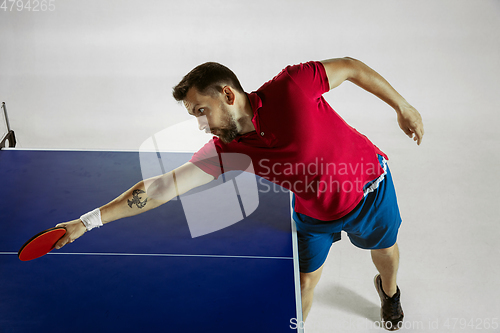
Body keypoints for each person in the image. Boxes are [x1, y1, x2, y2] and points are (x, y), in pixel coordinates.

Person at [55, 57, 423, 331]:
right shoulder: (227, 150)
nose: (201, 126)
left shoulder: (294, 85)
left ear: (227, 94)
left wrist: (402, 106)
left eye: (202, 112)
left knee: (385, 254)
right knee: (304, 282)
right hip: (315, 213)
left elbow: (351, 67)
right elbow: (160, 187)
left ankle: (389, 293)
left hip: (369, 189)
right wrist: (86, 223)